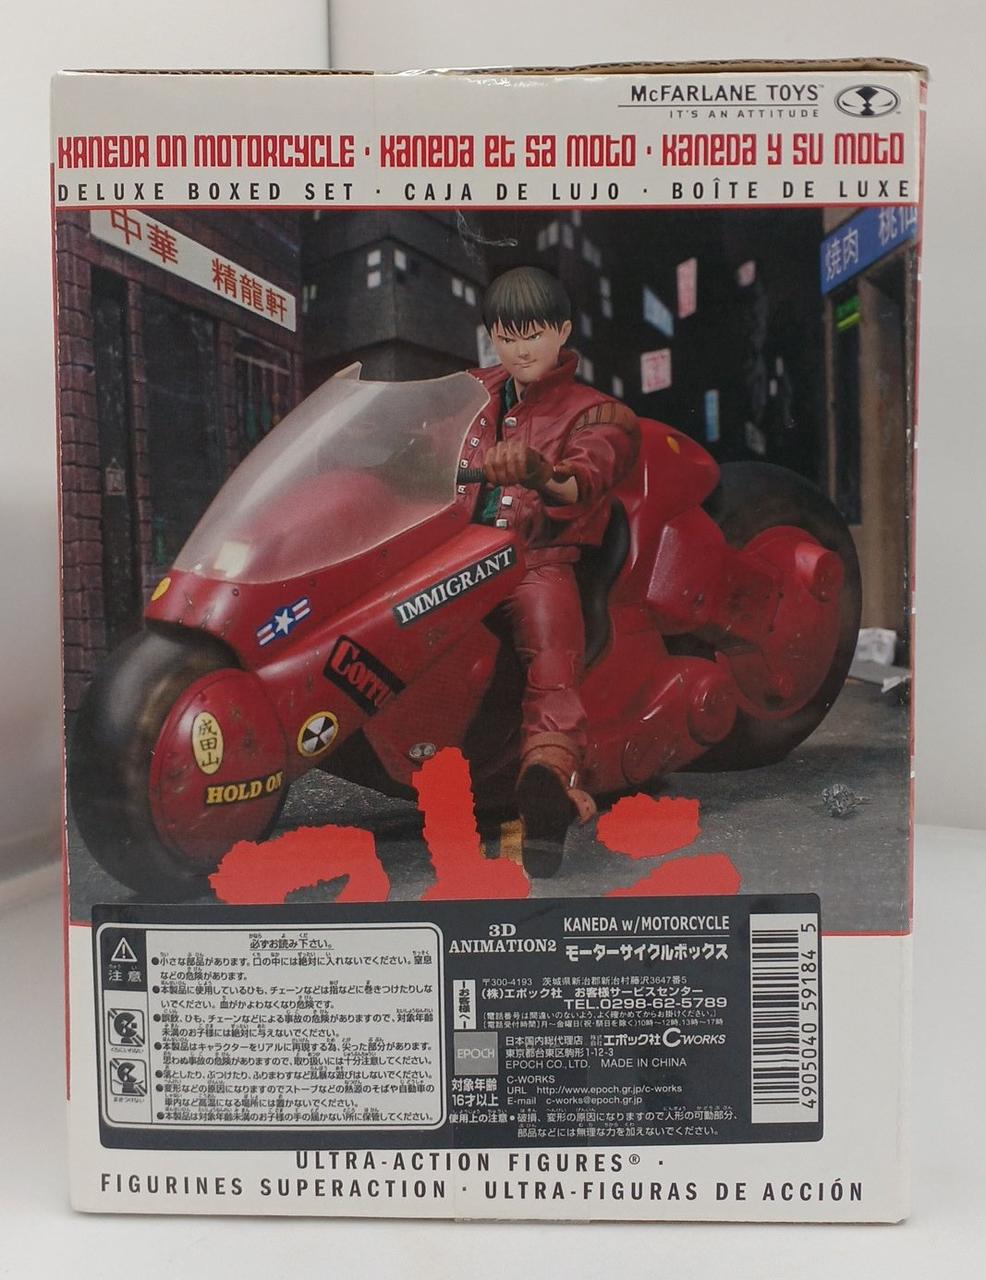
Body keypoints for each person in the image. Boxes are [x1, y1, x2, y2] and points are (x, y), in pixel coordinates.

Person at [464, 266, 639, 842]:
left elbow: (580, 483)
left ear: (562, 331)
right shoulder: (470, 394)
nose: (520, 350)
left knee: (551, 652)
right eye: (506, 337)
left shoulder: (598, 414)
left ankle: (549, 779)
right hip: (453, 555)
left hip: (536, 560)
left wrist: (538, 470)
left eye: (533, 335)